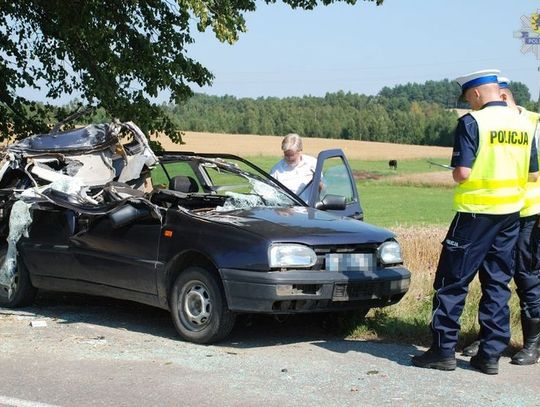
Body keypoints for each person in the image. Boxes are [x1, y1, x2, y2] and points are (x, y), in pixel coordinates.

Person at [411, 69, 539, 375]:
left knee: (451, 281)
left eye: (469, 98)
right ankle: (490, 355)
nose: (470, 103)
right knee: (496, 281)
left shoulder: (472, 122)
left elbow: (463, 173)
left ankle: (443, 350)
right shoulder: (524, 124)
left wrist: (458, 173)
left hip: (474, 212)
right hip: (510, 213)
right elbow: (533, 173)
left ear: (478, 94)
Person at [461, 76, 540, 365]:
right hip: (499, 212)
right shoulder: (496, 122)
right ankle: (490, 340)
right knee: (493, 278)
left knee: (527, 278)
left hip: (529, 214)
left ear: (504, 98)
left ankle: (533, 343)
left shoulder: (533, 123)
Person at [270, 133, 317, 201]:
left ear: (300, 150)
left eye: (292, 155)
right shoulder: (276, 169)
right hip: (284, 209)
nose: (289, 158)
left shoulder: (312, 164)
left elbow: (323, 192)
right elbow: (269, 193)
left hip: (309, 210)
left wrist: (319, 183)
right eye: (286, 155)